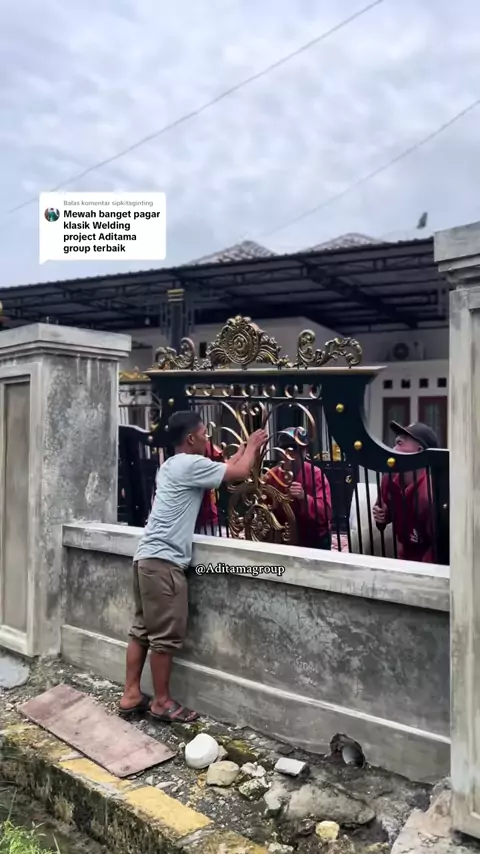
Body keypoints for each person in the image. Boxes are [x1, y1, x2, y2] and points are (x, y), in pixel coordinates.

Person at [118, 410, 267, 723]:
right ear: (190, 438)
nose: (207, 440)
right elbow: (239, 473)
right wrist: (254, 446)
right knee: (164, 638)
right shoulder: (191, 464)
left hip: (146, 559)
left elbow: (227, 468)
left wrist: (243, 450)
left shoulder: (173, 465)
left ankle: (131, 694)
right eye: (203, 435)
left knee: (142, 630)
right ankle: (162, 702)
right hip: (164, 564)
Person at [372, 421, 439, 563]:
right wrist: (382, 517)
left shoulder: (429, 493)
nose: (393, 449)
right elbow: (381, 523)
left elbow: (438, 545)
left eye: (400, 443)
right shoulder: (388, 479)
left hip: (429, 564)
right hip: (402, 558)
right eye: (395, 443)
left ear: (419, 451)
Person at [263, 427, 332, 550]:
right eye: (286, 449)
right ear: (280, 452)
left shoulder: (315, 474)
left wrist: (304, 498)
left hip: (313, 538)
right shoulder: (271, 476)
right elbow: (264, 510)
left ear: (305, 451)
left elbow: (325, 514)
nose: (291, 455)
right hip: (282, 538)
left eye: (297, 449)